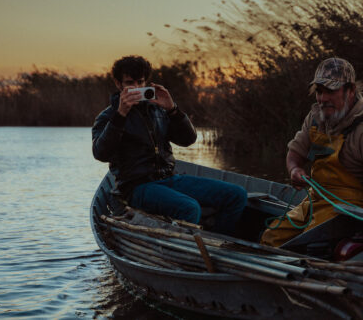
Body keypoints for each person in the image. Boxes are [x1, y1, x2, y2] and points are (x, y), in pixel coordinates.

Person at [92, 55, 247, 235]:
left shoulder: (157, 110)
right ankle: (185, 254)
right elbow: (100, 153)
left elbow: (188, 140)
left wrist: (172, 109)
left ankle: (218, 245)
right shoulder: (108, 117)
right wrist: (120, 115)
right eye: (130, 83)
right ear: (119, 84)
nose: (136, 87)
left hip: (170, 179)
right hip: (136, 187)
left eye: (140, 82)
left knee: (237, 195)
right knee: (189, 208)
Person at [261, 57, 363, 247]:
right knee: (270, 237)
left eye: (331, 91)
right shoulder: (316, 118)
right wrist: (294, 170)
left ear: (350, 91)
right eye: (319, 91)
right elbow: (295, 154)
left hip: (349, 209)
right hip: (315, 200)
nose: (323, 98)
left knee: (307, 244)